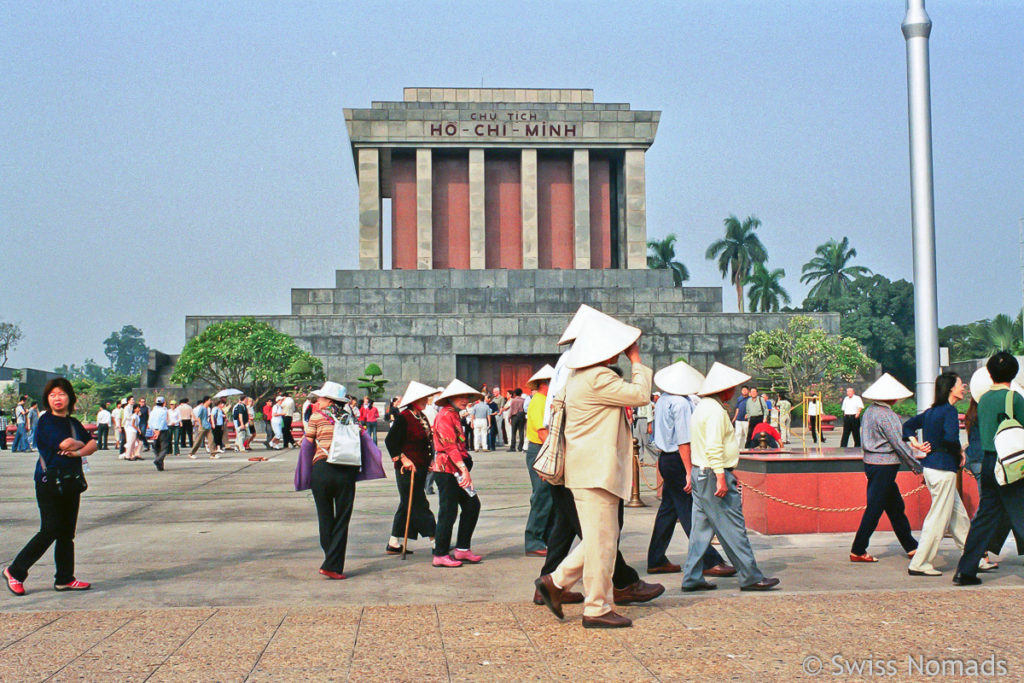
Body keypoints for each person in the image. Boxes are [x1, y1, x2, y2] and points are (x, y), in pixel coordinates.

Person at [535, 315, 653, 629]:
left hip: (587, 470)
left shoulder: (578, 376)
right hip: (595, 471)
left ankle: (556, 582)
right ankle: (597, 608)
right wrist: (637, 360)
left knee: (602, 538)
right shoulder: (598, 378)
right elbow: (641, 394)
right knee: (602, 541)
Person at [679, 363, 780, 594]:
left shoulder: (702, 408)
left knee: (701, 529)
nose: (735, 392)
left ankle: (692, 576)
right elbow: (714, 447)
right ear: (724, 390)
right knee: (733, 527)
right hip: (714, 472)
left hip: (700, 472)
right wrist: (721, 477)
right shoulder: (715, 411)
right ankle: (750, 576)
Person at [4, 378, 97, 596]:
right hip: (48, 483)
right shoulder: (46, 421)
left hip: (71, 481)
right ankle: (15, 571)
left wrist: (78, 451)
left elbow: (93, 445)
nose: (57, 398)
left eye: (61, 394)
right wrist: (80, 445)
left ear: (69, 398)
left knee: (67, 533)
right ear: (47, 399)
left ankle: (65, 578)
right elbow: (65, 443)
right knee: (50, 529)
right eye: (53, 394)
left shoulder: (73, 423)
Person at [646, 361, 734, 577]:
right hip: (679, 460)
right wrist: (688, 471)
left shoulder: (664, 399)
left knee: (668, 510)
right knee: (689, 511)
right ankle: (708, 559)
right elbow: (683, 441)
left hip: (667, 458)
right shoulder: (682, 404)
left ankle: (656, 558)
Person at [902, 372, 992, 577]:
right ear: (951, 388)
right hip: (943, 469)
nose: (964, 387)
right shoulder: (949, 411)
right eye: (961, 384)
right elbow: (951, 438)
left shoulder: (932, 411)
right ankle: (920, 563)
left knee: (959, 518)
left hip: (933, 467)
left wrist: (914, 441)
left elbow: (907, 426)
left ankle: (974, 558)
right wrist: (960, 452)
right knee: (938, 518)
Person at [954, 353, 1024, 586]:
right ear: (1014, 374)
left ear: (990, 374)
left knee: (984, 518)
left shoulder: (982, 401)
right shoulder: (1014, 398)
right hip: (1010, 464)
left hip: (988, 462)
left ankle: (966, 569)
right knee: (1021, 513)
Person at [849, 374, 927, 563]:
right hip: (885, 465)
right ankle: (858, 549)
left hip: (871, 463)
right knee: (875, 508)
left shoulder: (869, 412)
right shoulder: (887, 415)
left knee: (895, 507)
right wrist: (917, 466)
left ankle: (910, 546)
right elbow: (898, 443)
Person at [305, 381, 360, 580]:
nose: (317, 401)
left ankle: (330, 560)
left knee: (325, 516)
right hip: (345, 471)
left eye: (320, 398)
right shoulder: (350, 417)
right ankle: (332, 564)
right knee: (342, 518)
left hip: (322, 469)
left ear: (328, 400)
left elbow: (308, 443)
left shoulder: (316, 417)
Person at [431, 379, 485, 568]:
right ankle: (440, 553)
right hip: (447, 470)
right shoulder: (445, 415)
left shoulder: (455, 415)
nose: (465, 400)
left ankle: (462, 548)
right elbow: (450, 446)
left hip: (457, 469)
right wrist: (464, 470)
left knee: (472, 506)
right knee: (448, 511)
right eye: (461, 397)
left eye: (467, 397)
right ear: (451, 398)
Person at [384, 382, 439, 555]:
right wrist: (403, 458)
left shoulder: (421, 416)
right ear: (414, 400)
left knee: (407, 503)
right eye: (422, 399)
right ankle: (436, 539)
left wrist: (430, 460)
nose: (425, 401)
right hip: (407, 469)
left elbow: (426, 443)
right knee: (418, 502)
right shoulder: (404, 417)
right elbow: (390, 441)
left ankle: (393, 542)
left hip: (421, 467)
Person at [524, 364, 556, 557]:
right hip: (541, 450)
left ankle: (544, 537)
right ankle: (534, 539)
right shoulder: (539, 401)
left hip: (543, 450)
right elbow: (542, 432)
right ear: (546, 384)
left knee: (549, 497)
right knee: (542, 496)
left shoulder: (544, 400)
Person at [150, 396, 170, 471]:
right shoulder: (163, 411)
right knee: (164, 447)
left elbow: (150, 421)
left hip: (154, 430)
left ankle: (160, 465)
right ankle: (158, 460)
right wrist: (159, 430)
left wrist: (154, 430)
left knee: (156, 447)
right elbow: (163, 421)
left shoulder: (152, 411)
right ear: (164, 403)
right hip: (162, 431)